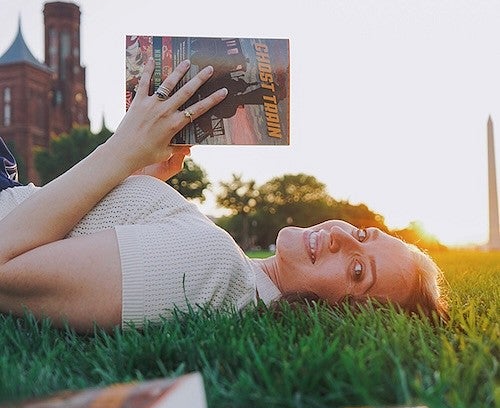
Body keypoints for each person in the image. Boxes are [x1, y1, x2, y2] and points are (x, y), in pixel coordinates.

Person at [0, 59, 447, 333]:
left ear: (336, 317)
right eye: (364, 234)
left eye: (356, 269)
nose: (342, 239)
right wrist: (142, 176)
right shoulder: (231, 270)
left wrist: (120, 151)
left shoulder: (208, 267)